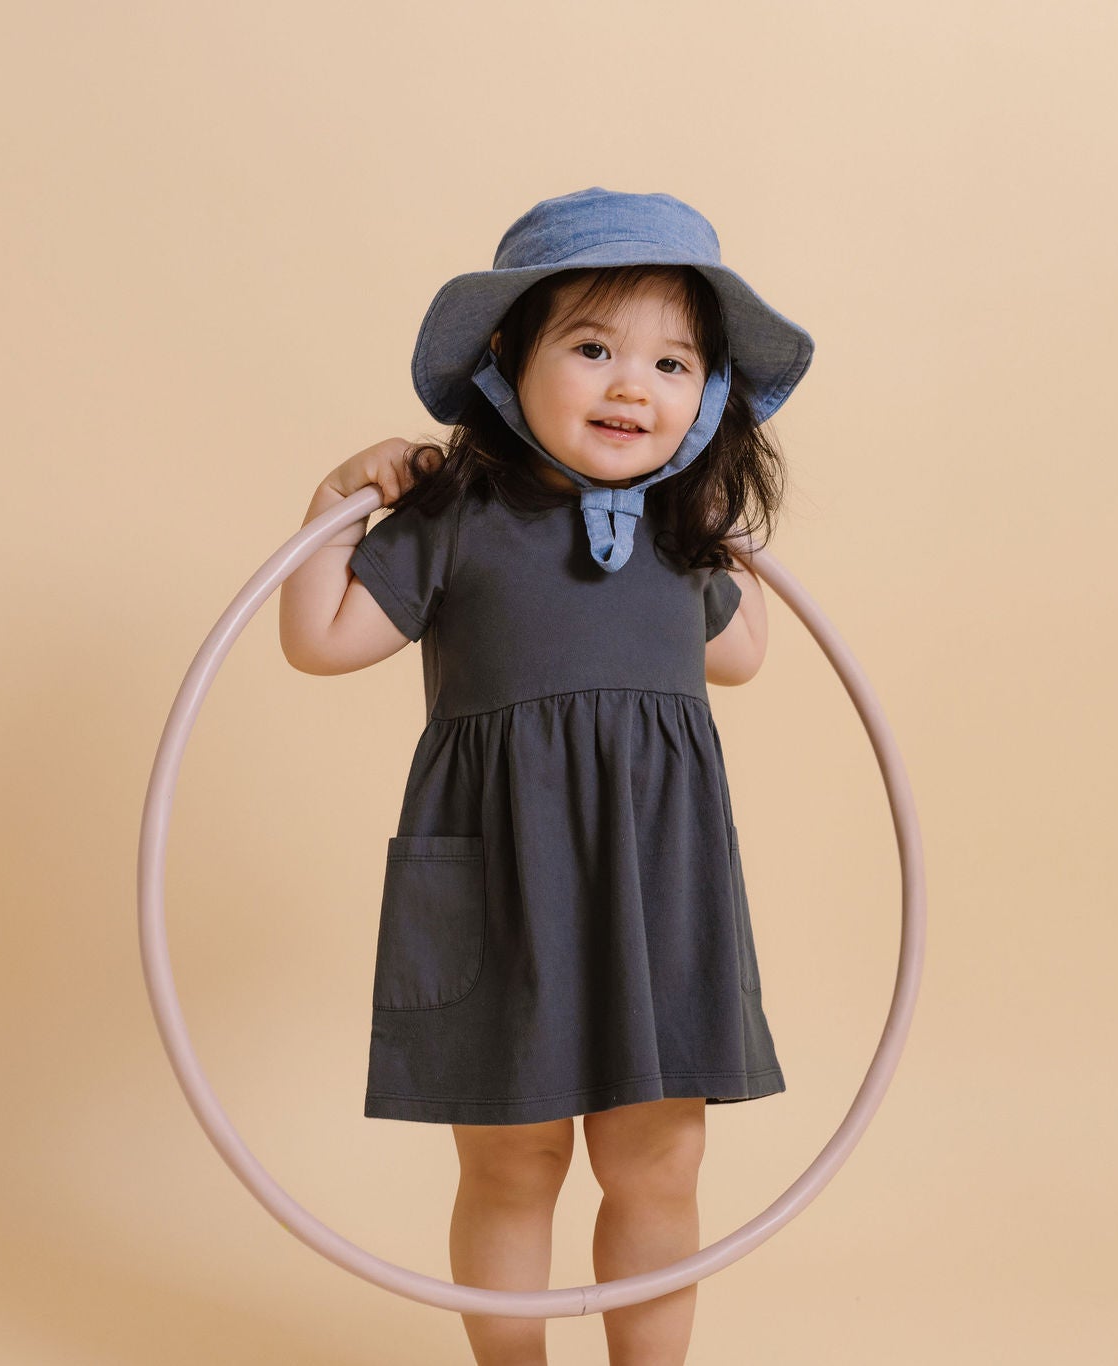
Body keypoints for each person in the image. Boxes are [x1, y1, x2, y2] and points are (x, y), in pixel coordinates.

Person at [276, 186, 815, 1366]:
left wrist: (727, 528)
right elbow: (319, 640)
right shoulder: (454, 516)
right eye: (591, 347)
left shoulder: (682, 541)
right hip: (499, 883)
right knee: (511, 1156)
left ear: (710, 395)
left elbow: (744, 655)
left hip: (654, 891)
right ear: (505, 361)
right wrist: (333, 511)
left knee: (658, 1158)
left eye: (675, 362)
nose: (634, 385)